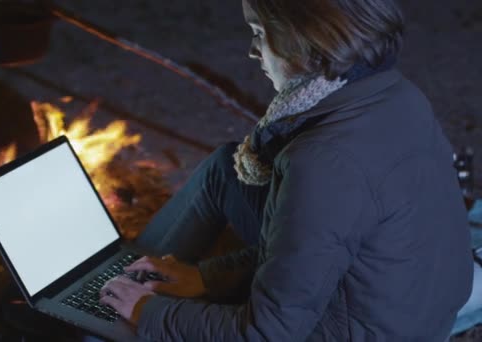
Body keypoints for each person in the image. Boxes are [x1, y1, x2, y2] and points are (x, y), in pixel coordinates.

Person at [99, 0, 474, 340]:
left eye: (260, 34)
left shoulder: (322, 161)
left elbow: (265, 333)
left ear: (305, 39)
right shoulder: (394, 92)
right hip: (412, 309)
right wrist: (204, 278)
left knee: (140, 323)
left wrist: (147, 313)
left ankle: (103, 312)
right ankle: (129, 277)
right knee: (223, 171)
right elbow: (313, 245)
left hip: (368, 332)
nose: (252, 51)